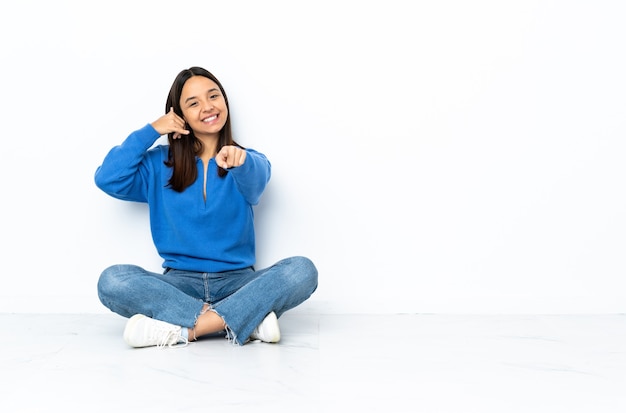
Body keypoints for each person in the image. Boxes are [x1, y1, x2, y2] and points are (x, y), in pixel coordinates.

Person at [94, 66, 318, 348]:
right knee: (113, 280)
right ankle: (244, 320)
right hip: (179, 285)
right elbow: (108, 178)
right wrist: (151, 131)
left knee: (301, 270)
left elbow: (258, 180)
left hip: (238, 284)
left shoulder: (246, 160)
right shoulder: (156, 165)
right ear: (179, 115)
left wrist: (242, 161)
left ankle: (184, 330)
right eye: (194, 103)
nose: (208, 107)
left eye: (214, 96)